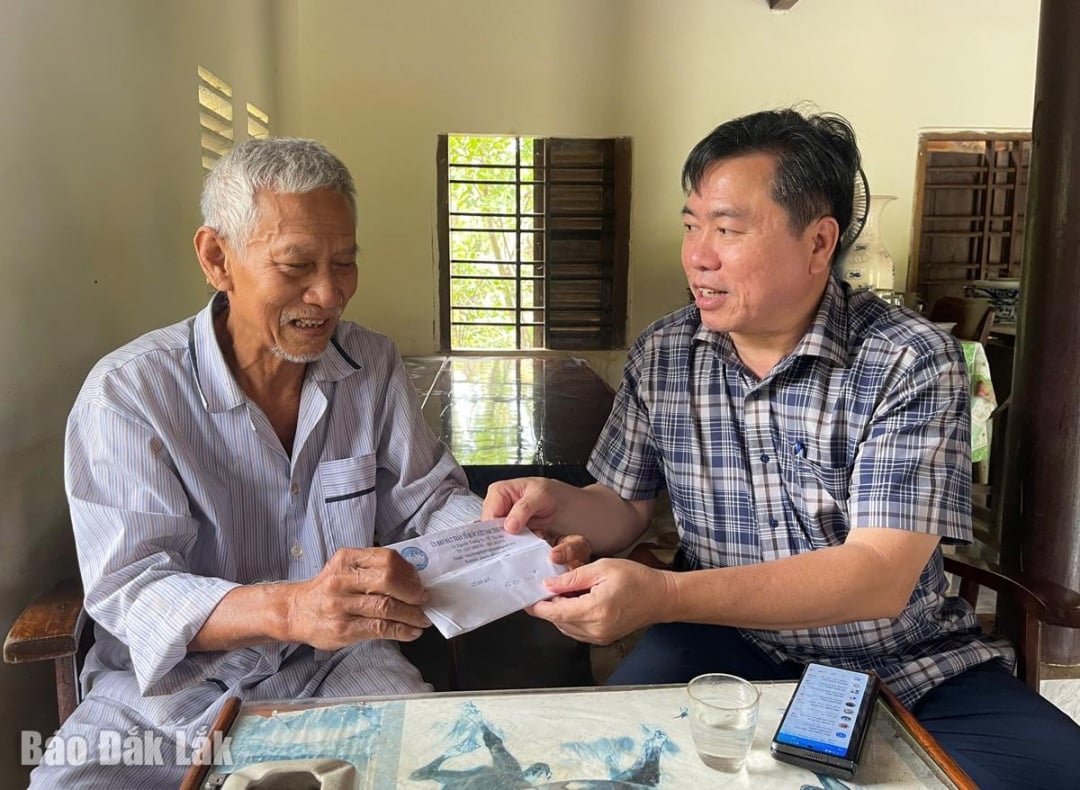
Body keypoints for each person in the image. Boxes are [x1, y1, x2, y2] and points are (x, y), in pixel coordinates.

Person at [482, 108, 1080, 789]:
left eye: (728, 229)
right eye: (691, 224)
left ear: (819, 241)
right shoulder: (666, 352)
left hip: (899, 660)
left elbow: (878, 575)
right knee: (619, 770)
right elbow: (620, 506)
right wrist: (554, 504)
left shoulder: (908, 359)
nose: (697, 255)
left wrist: (663, 595)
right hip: (719, 646)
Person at [32, 137, 583, 788]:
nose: (328, 295)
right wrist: (290, 609)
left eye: (344, 263)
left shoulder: (368, 365)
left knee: (447, 771)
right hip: (161, 697)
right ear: (217, 257)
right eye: (296, 266)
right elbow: (132, 588)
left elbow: (427, 499)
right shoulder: (130, 393)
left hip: (344, 667)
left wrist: (511, 548)